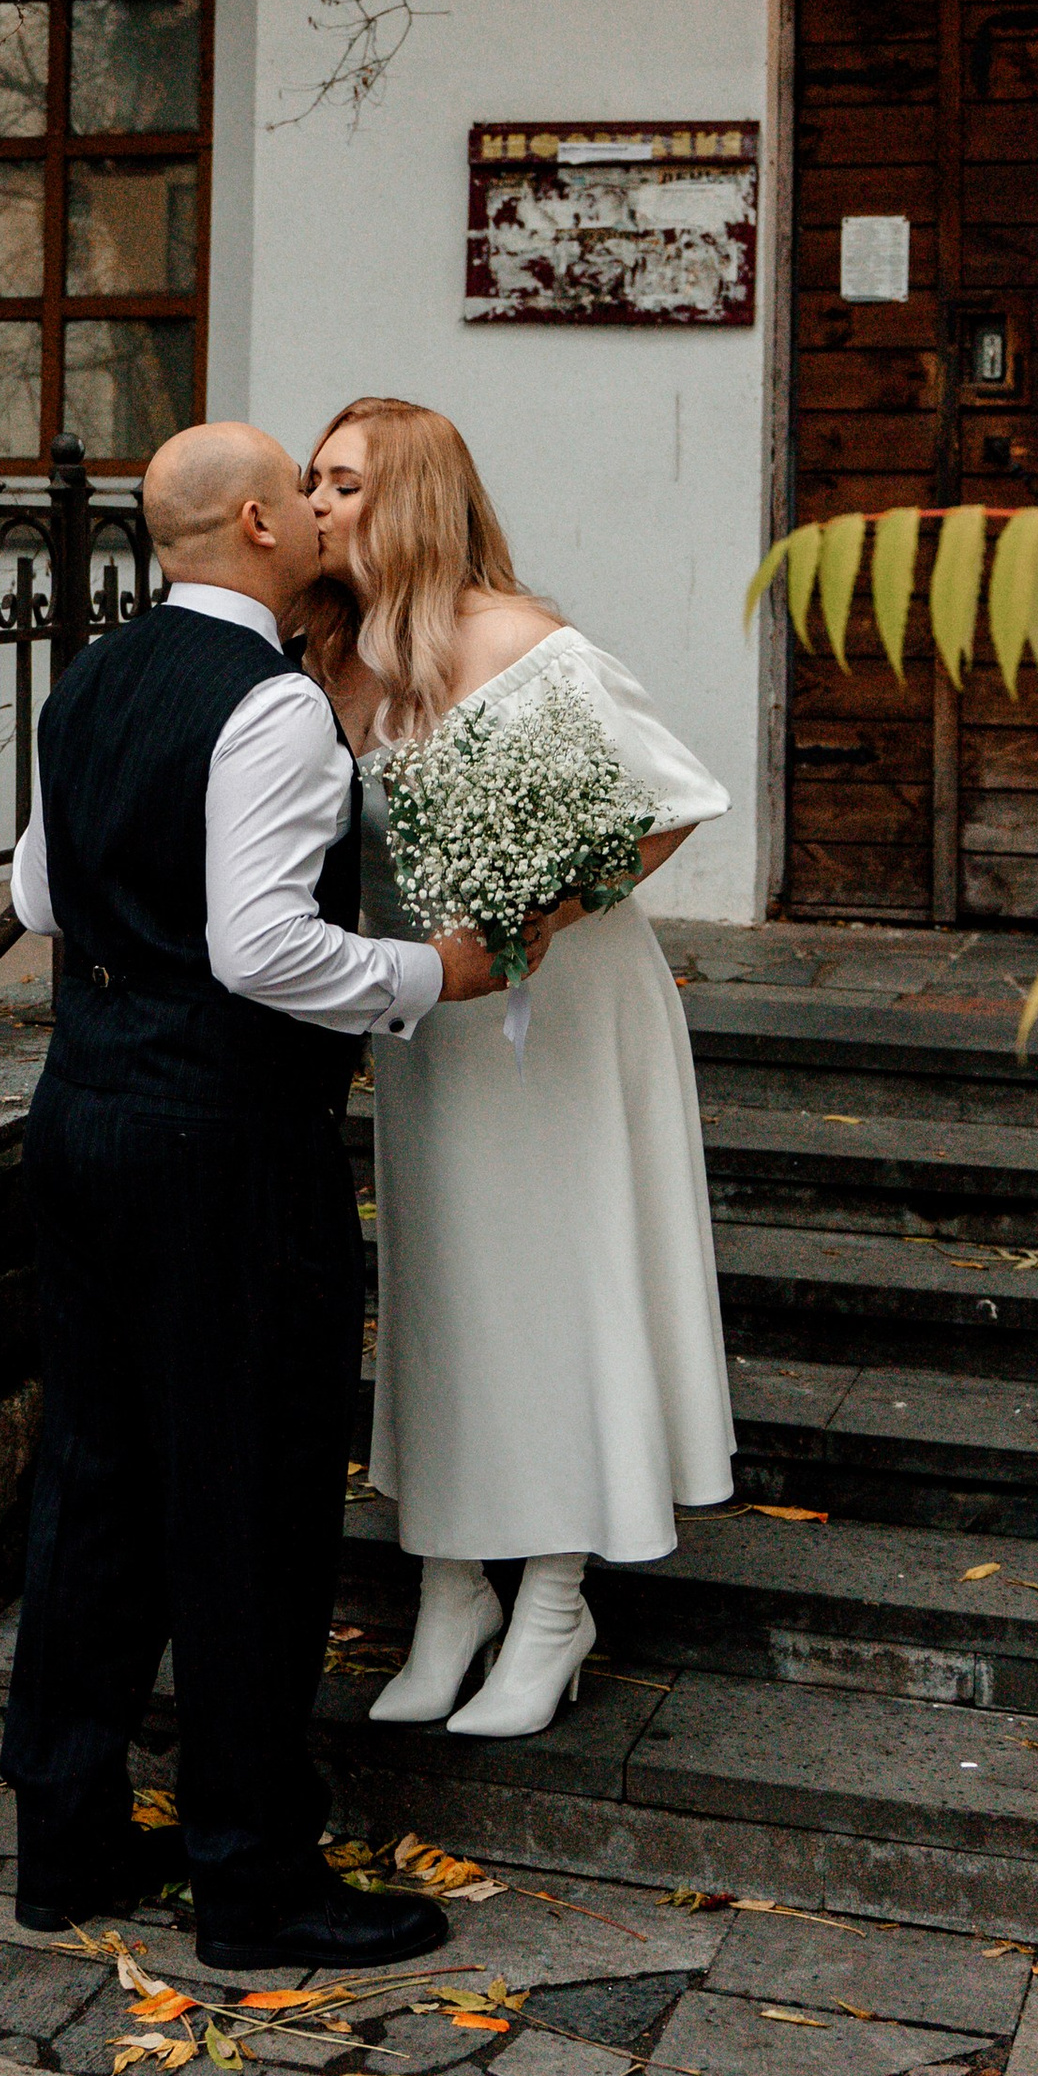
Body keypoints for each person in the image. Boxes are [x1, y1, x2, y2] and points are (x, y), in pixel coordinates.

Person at [0, 418, 527, 1970]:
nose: (316, 503)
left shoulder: (96, 675)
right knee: (247, 1499)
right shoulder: (273, 704)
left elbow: (35, 891)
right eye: (300, 489)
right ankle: (252, 1877)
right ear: (253, 525)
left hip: (80, 1118)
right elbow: (263, 949)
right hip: (220, 1145)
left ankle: (67, 1838)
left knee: (94, 1483)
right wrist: (436, 971)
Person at [302, 396, 736, 1739]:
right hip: (436, 1032)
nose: (316, 504)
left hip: (562, 1016)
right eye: (312, 481)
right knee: (446, 1294)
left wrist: (545, 911)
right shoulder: (334, 656)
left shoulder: (523, 644)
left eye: (344, 484)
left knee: (556, 1289)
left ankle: (554, 1597)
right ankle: (450, 1588)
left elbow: (673, 804)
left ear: (413, 499)